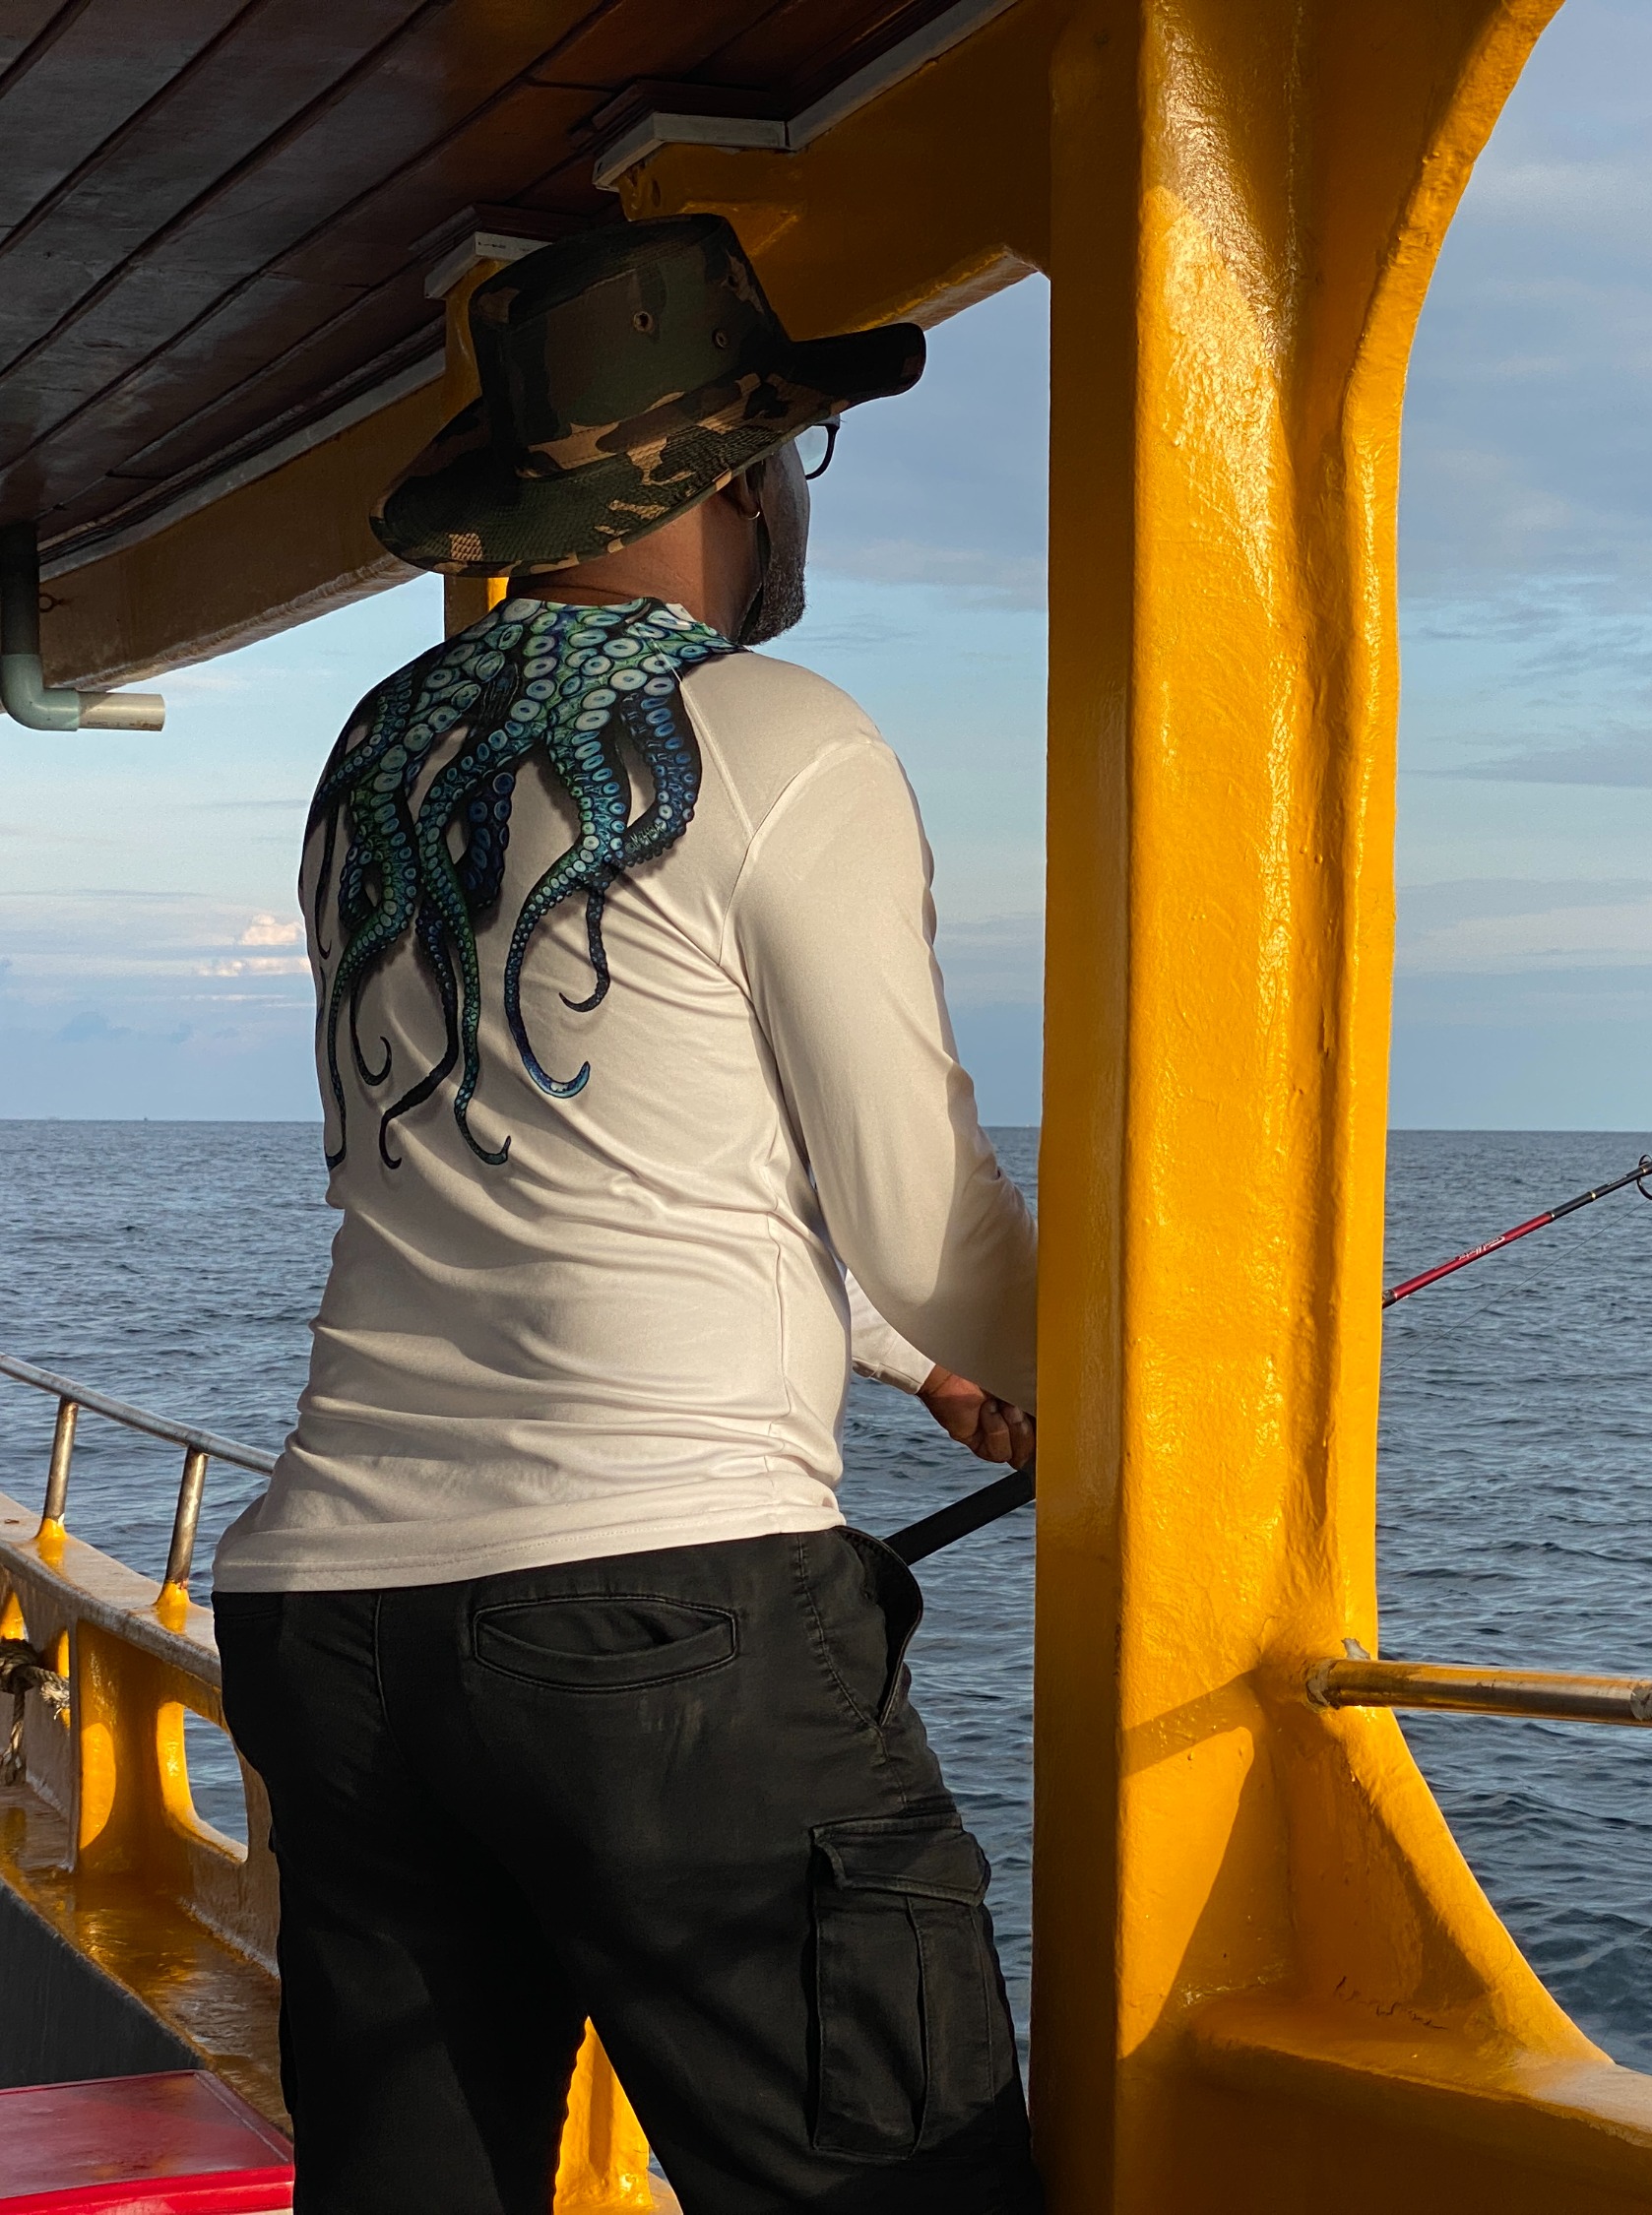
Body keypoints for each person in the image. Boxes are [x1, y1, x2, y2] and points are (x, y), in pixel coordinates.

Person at [211, 215, 1042, 2215]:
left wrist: (900, 1354)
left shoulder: (378, 760)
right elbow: (915, 1198)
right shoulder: (782, 740)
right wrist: (1050, 1367)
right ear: (745, 480)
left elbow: (525, 1158)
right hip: (663, 1638)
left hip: (335, 1630)